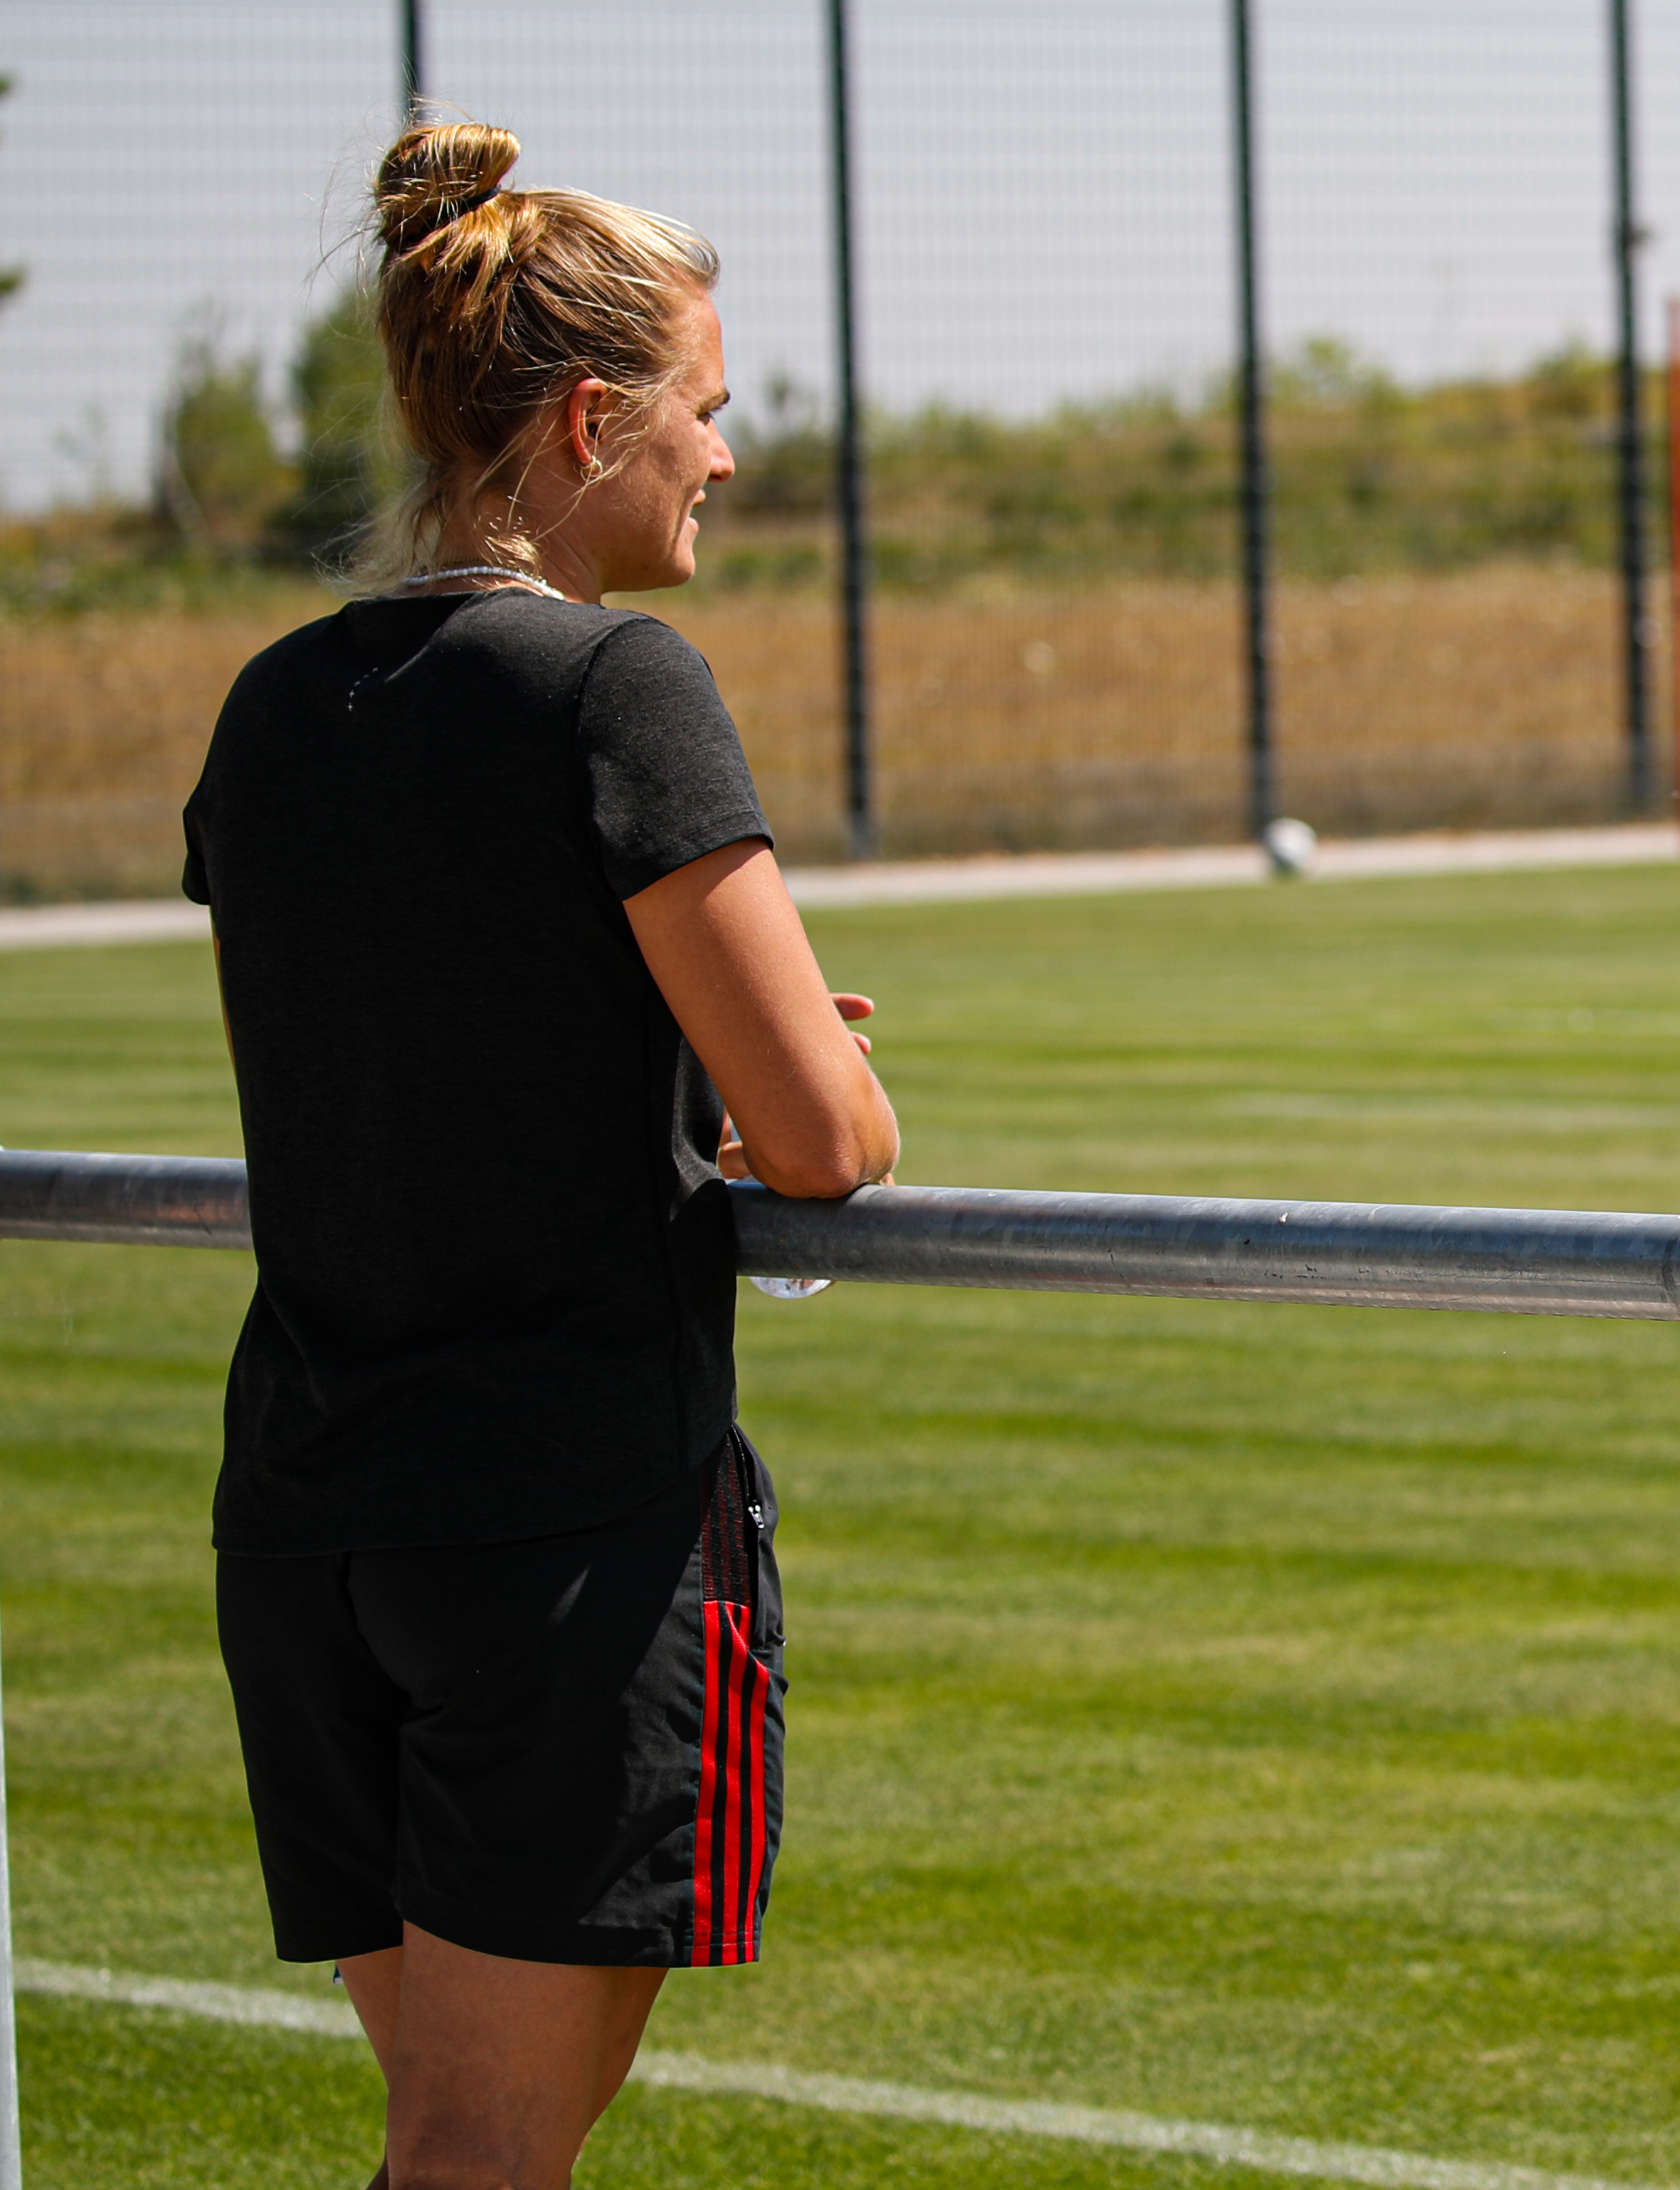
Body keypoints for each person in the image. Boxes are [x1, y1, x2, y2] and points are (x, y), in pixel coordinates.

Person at [179, 122, 899, 2190]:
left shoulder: (267, 711)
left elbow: (428, 1033)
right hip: (554, 1538)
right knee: (485, 2158)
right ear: (593, 419)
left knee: (459, 2144)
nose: (729, 459)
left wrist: (680, 1052)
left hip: (311, 1536)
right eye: (709, 409)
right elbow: (827, 1139)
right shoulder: (616, 690)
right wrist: (792, 1078)